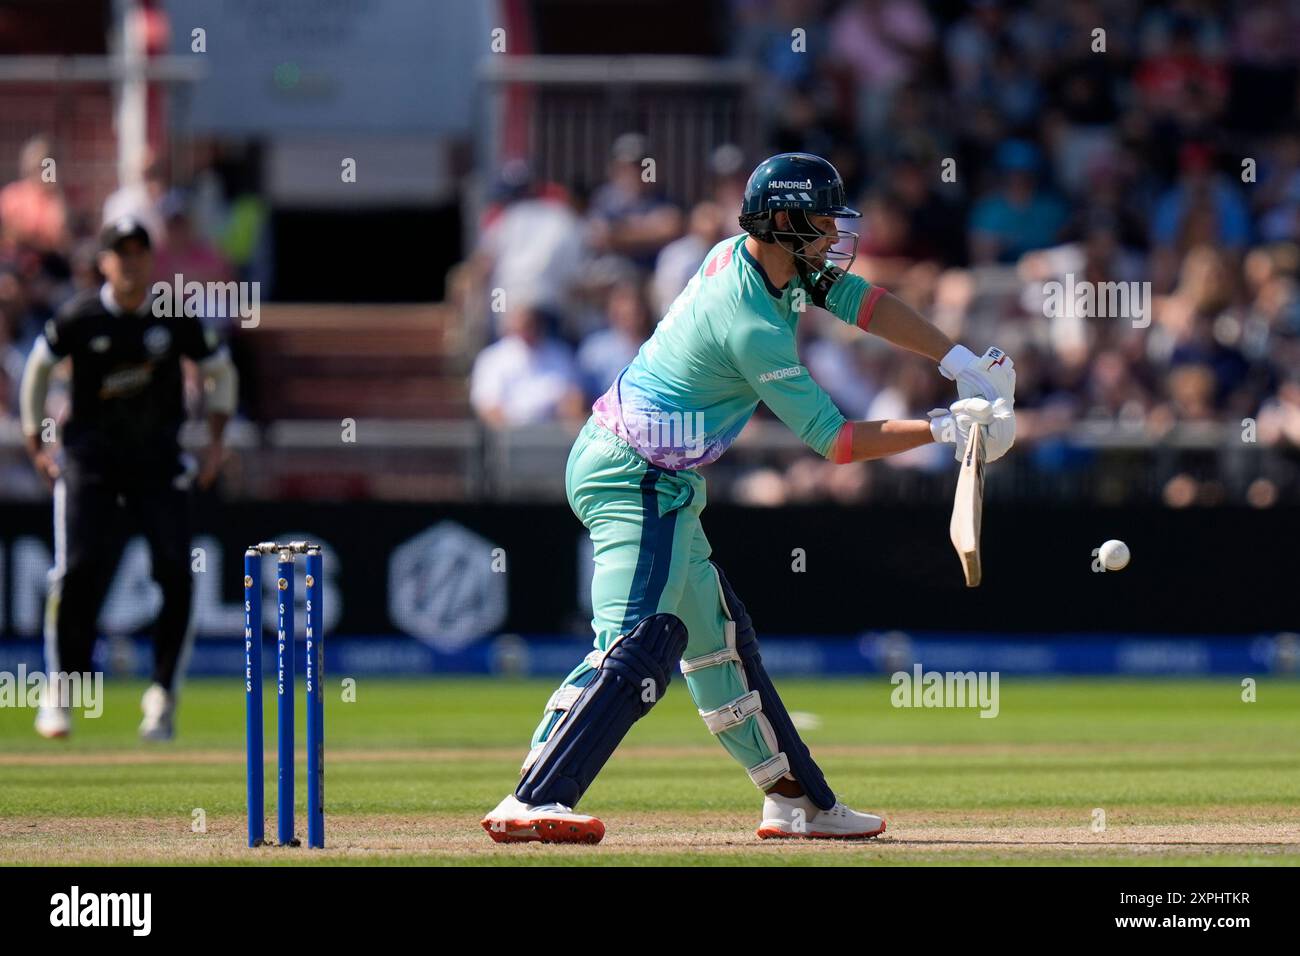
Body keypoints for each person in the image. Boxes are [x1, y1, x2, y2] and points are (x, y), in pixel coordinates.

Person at [481, 153, 1017, 844]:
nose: (834, 231)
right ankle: (534, 796)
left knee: (721, 644)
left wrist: (958, 362)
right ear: (784, 222)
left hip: (660, 477)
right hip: (630, 475)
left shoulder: (763, 260)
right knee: (636, 642)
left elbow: (863, 302)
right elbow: (834, 440)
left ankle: (795, 799)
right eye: (820, 219)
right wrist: (944, 428)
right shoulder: (750, 324)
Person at [19, 217, 239, 740]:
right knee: (76, 572)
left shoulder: (172, 314)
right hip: (89, 462)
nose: (130, 261)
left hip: (157, 463)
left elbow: (221, 370)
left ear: (150, 259)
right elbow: (37, 371)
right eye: (121, 252)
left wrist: (214, 442)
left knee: (175, 573)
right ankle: (61, 691)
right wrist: (35, 442)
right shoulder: (80, 315)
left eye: (140, 252)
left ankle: (162, 697)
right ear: (104, 261)